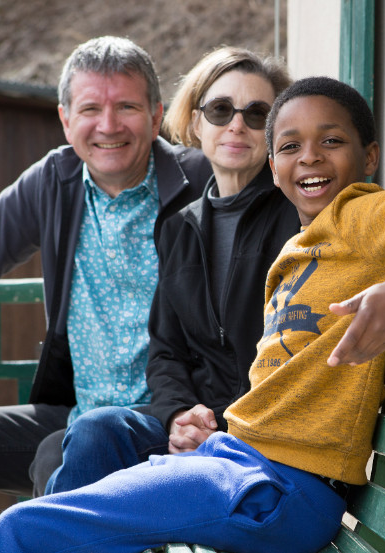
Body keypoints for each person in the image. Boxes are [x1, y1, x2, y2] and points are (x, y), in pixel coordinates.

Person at [0, 76, 385, 553]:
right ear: (273, 168)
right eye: (290, 146)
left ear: (369, 157)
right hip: (237, 464)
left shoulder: (361, 214)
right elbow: (175, 353)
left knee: (26, 527)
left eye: (332, 141)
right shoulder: (298, 252)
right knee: (82, 471)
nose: (310, 157)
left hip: (273, 490)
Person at [0, 36, 212, 553]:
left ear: (156, 117)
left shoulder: (200, 179)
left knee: (55, 457)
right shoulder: (53, 182)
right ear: (65, 119)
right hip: (82, 412)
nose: (108, 125)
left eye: (127, 107)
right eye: (90, 109)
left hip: (171, 420)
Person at [43, 47, 299, 494]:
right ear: (196, 122)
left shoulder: (296, 217)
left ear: (276, 129)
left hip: (258, 435)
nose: (236, 125)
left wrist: (221, 426)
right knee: (94, 430)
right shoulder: (180, 228)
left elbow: (296, 349)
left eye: (257, 114)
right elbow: (165, 351)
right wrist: (179, 414)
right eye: (220, 110)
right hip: (195, 425)